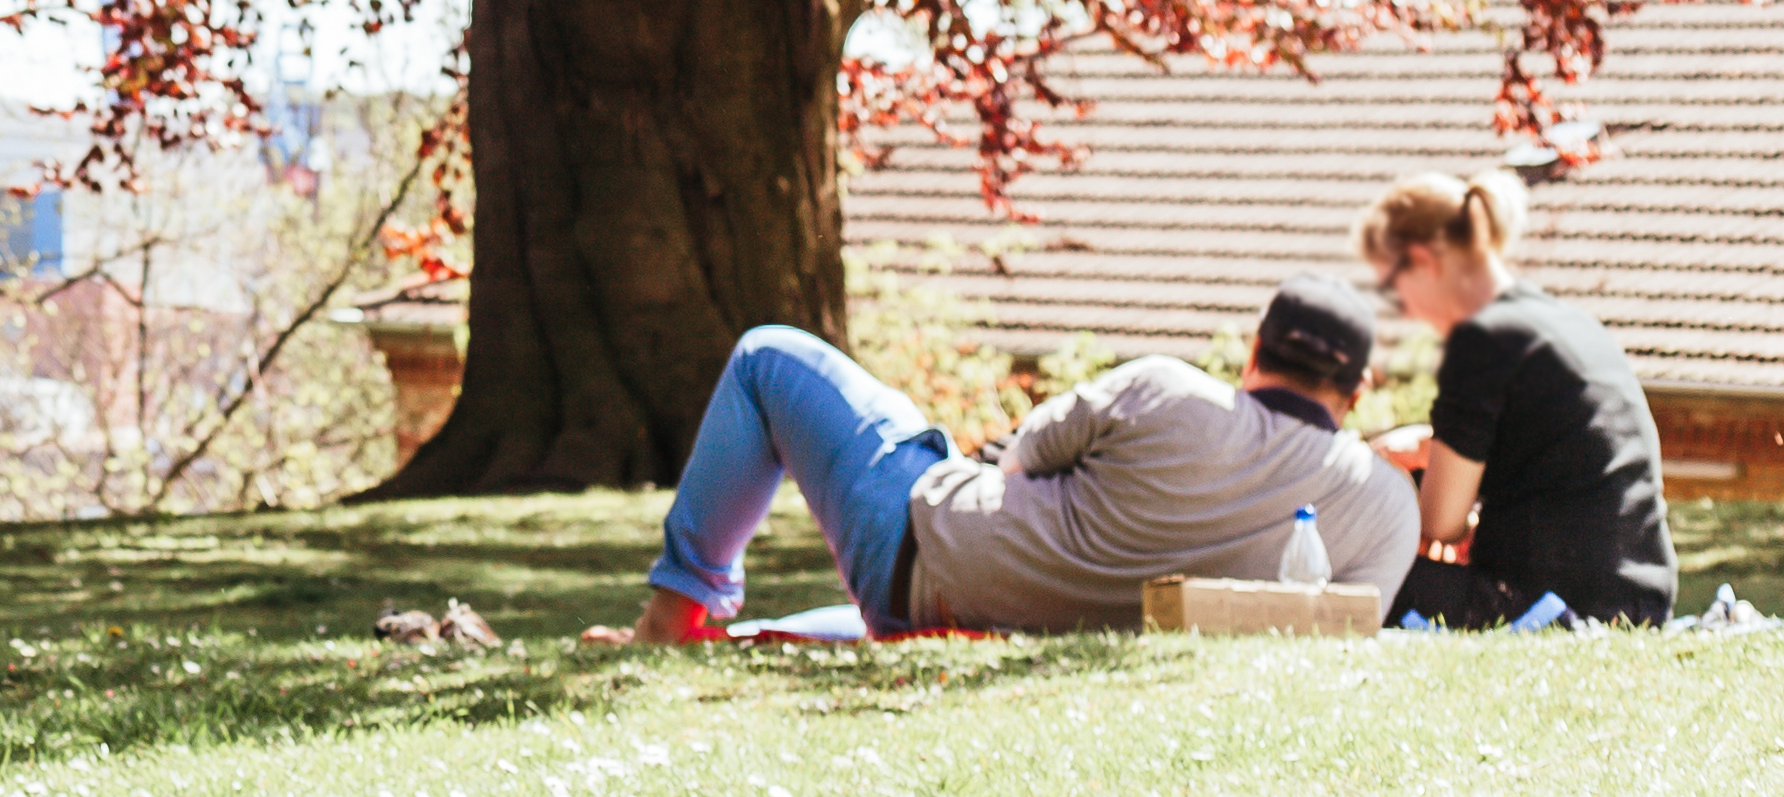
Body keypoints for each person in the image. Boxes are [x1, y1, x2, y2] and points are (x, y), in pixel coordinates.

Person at [603, 275, 1415, 640]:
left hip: (918, 559)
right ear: (1362, 385)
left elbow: (1020, 462)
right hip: (992, 618)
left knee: (766, 355)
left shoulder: (1168, 389)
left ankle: (671, 619)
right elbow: (1334, 629)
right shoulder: (1384, 501)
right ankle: (757, 632)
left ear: (1253, 349)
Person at [1362, 168, 1674, 627]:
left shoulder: (1480, 339)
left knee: (1364, 566)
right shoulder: (1561, 321)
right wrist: (1430, 446)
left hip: (1552, 602)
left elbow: (1439, 524)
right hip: (1640, 597)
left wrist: (1389, 478)